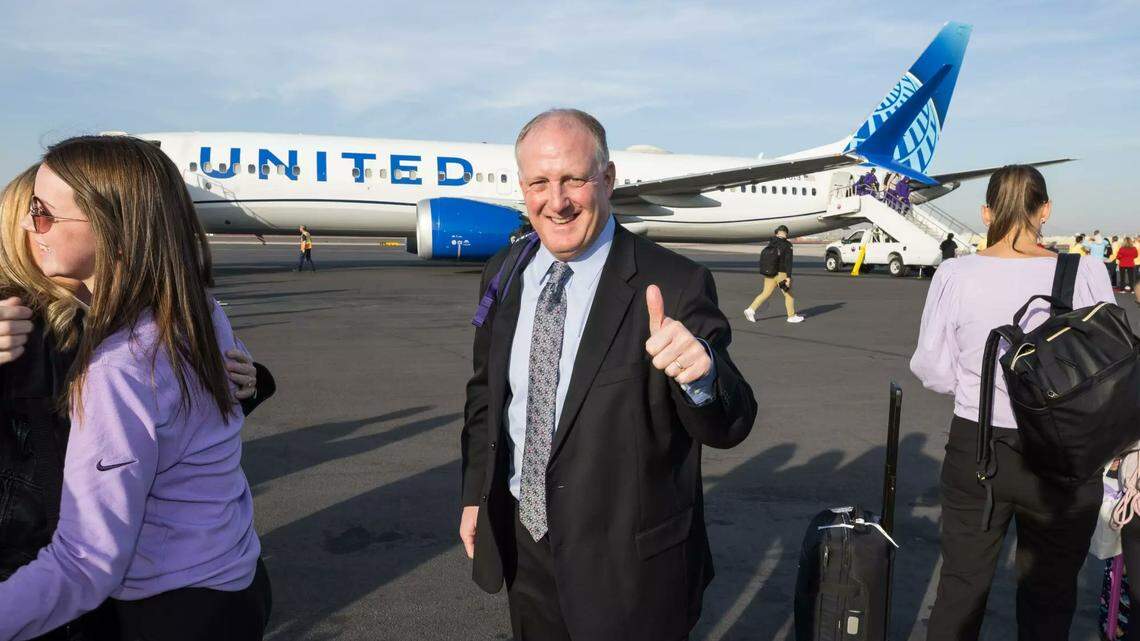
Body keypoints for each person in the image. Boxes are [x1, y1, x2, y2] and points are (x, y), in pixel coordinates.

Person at [458, 109, 757, 641]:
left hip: (630, 570)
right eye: (539, 183)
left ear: (609, 178)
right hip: (525, 549)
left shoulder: (675, 282)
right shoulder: (506, 271)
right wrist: (474, 495)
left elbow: (731, 424)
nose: (557, 200)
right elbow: (487, 395)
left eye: (574, 178)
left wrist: (703, 377)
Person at [0, 136, 271, 641]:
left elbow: (85, 564)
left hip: (173, 610)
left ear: (116, 235)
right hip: (237, 577)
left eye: (42, 214)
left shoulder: (118, 369)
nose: (24, 224)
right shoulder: (201, 312)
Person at [910, 165, 1114, 641]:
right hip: (1066, 453)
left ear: (985, 213)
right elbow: (1109, 366)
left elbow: (933, 370)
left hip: (978, 447)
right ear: (1045, 212)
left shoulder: (955, 273)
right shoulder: (1083, 271)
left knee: (960, 590)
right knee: (1049, 595)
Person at [744, 225, 803, 323]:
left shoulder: (771, 243)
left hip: (770, 273)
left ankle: (750, 310)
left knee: (765, 293)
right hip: (781, 274)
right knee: (789, 295)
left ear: (777, 233)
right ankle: (791, 316)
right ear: (786, 233)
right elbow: (788, 262)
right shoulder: (787, 245)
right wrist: (788, 277)